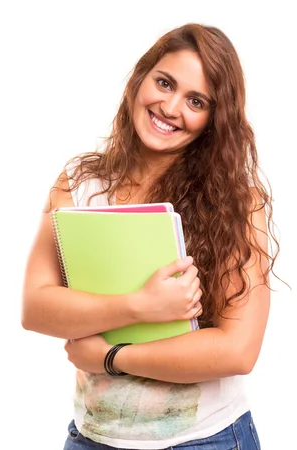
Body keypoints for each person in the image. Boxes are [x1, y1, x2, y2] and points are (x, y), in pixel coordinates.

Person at [22, 23, 277, 449]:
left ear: (215, 119)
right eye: (164, 83)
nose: (170, 106)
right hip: (92, 438)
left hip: (205, 440)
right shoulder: (80, 183)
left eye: (195, 101)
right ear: (140, 79)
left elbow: (237, 351)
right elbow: (36, 307)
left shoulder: (238, 201)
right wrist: (140, 305)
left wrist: (109, 358)